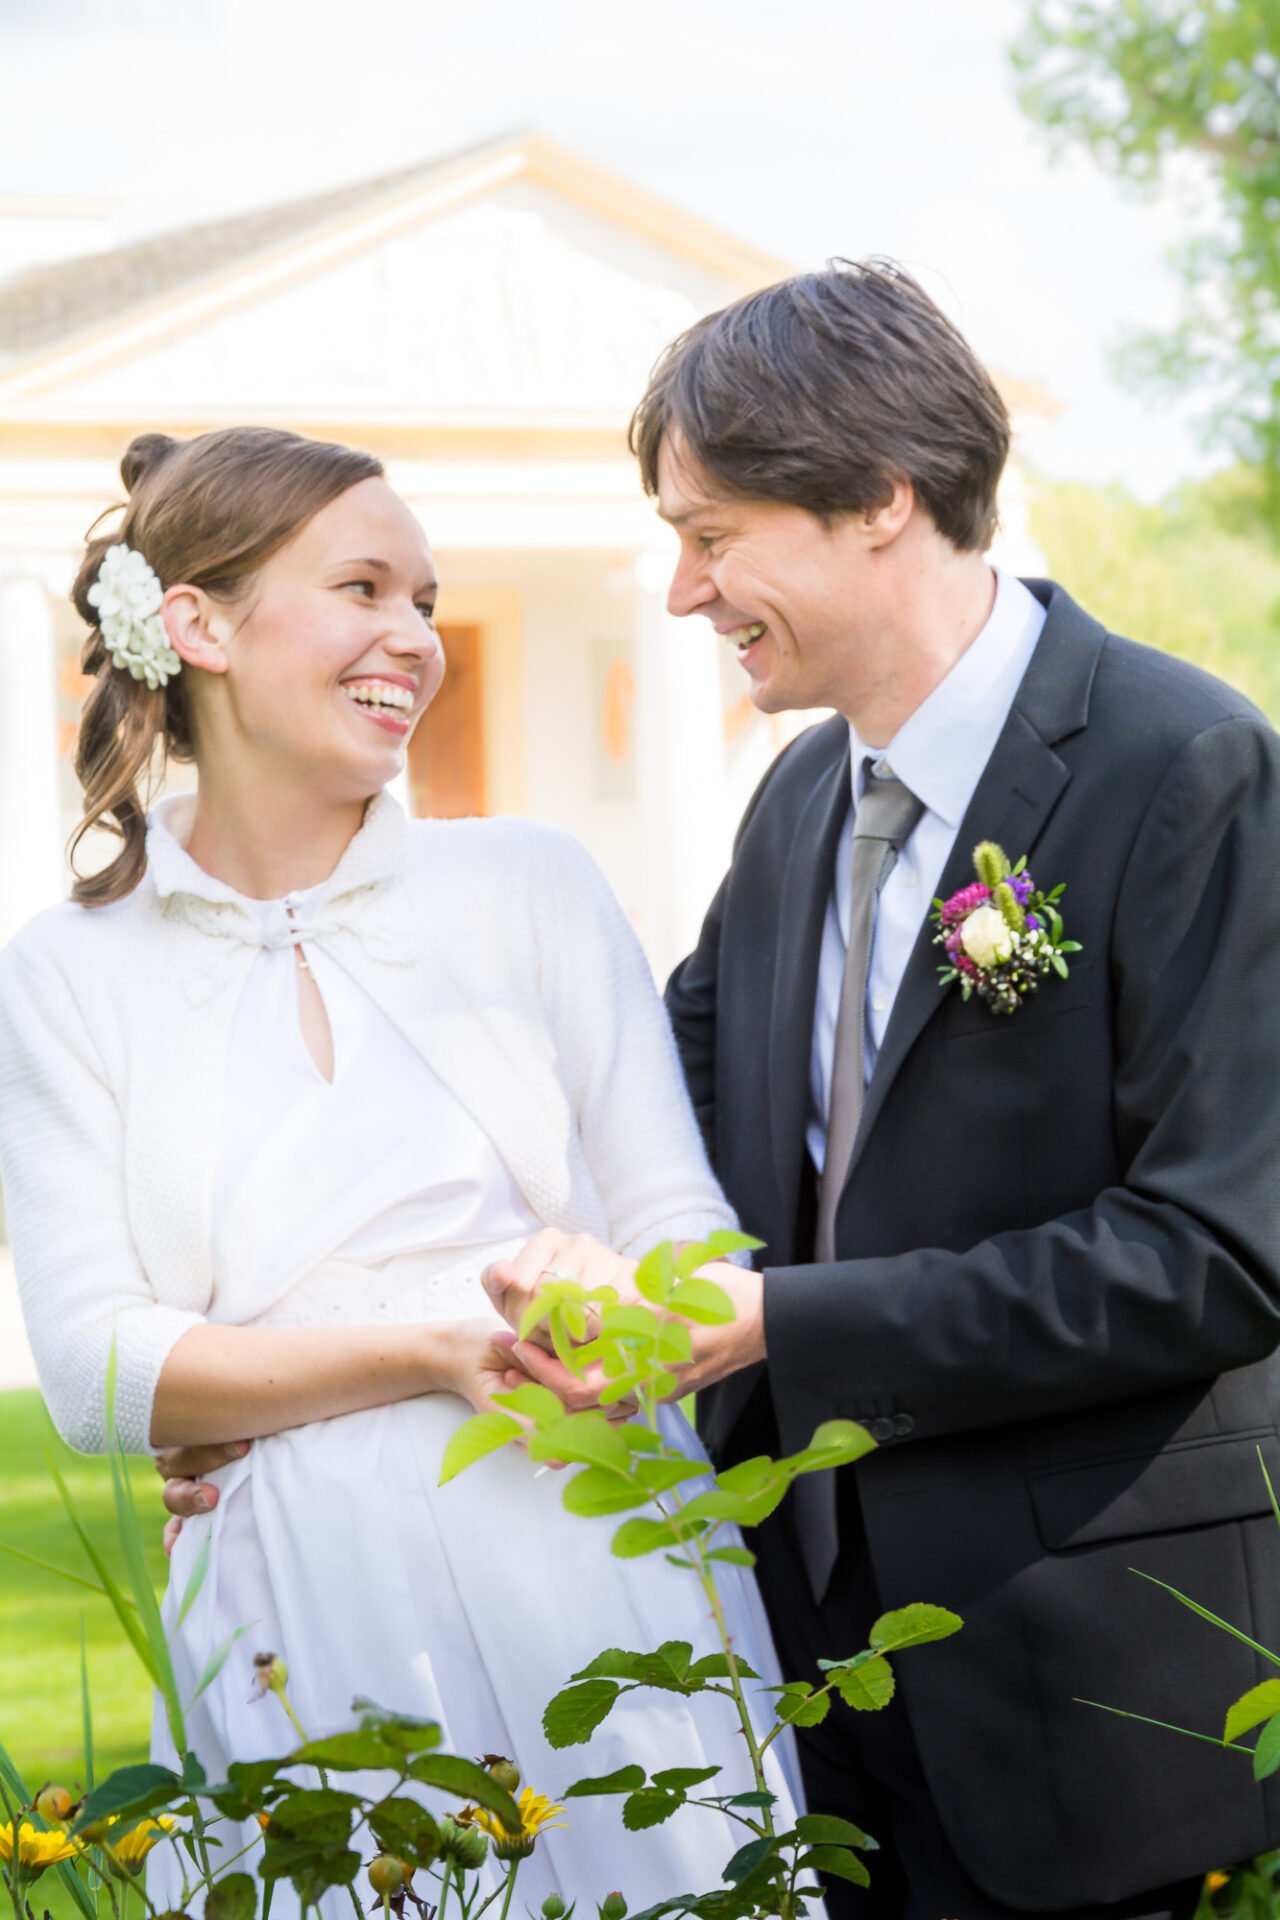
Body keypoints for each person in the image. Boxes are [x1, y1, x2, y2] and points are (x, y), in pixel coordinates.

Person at [457, 263, 1280, 1916]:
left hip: (1095, 1701)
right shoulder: (794, 811)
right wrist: (314, 1364)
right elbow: (646, 1111)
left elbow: (1217, 1252)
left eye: (712, 536)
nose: (685, 594)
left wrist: (785, 1324)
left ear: (880, 500)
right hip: (815, 1671)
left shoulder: (1184, 766)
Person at [0, 427, 805, 1913]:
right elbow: (101, 1367)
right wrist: (428, 1350)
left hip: (593, 1557)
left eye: (427, 600)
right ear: (197, 625)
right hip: (293, 1597)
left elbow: (692, 1241)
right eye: (363, 586)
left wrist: (607, 1287)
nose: (414, 639)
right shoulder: (66, 972)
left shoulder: (531, 885)